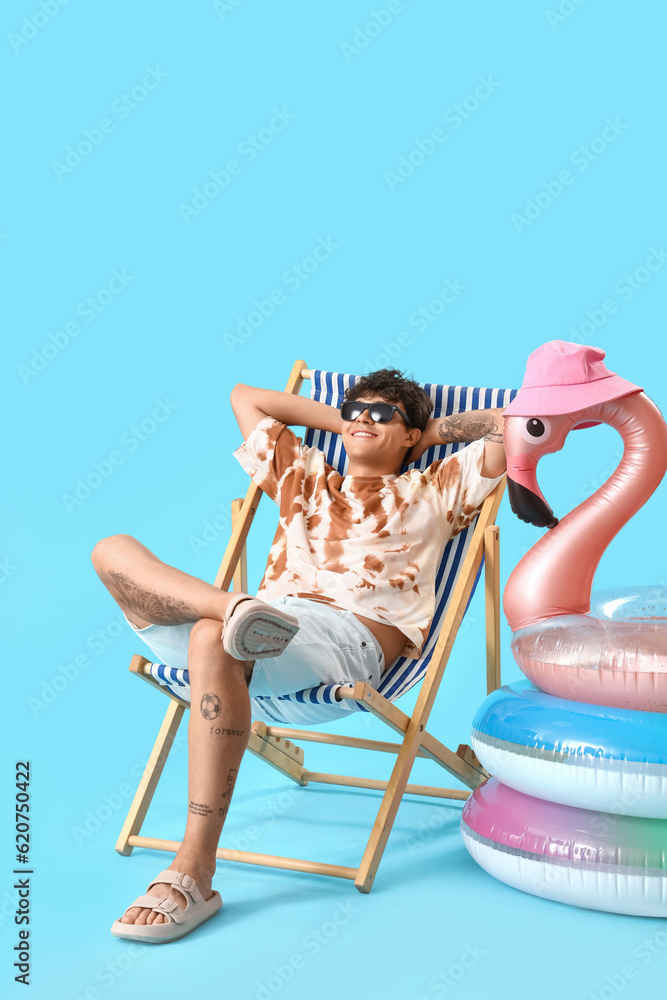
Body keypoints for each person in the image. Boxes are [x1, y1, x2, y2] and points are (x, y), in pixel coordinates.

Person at [92, 368, 507, 943]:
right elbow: (245, 396)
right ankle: (233, 607)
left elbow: (515, 423)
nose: (362, 417)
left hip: (344, 642)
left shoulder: (435, 488)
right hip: (255, 629)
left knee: (212, 639)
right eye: (353, 409)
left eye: (383, 413)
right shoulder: (305, 475)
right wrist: (352, 421)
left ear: (412, 435)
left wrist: (433, 433)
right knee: (111, 551)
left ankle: (194, 871)